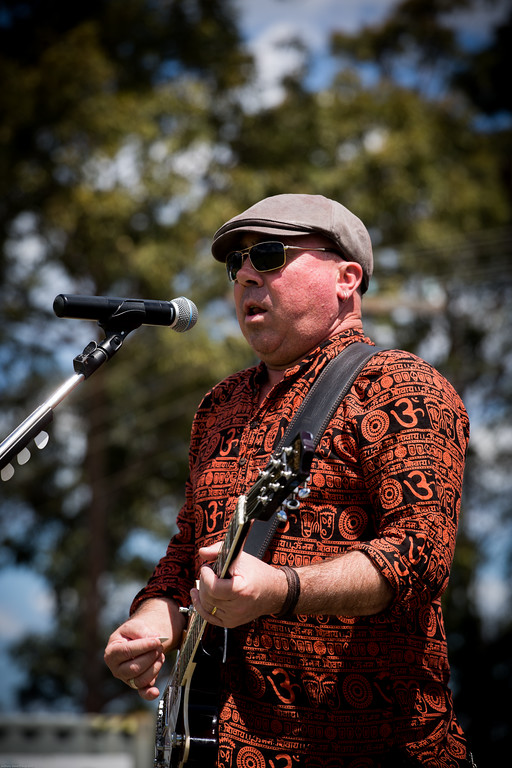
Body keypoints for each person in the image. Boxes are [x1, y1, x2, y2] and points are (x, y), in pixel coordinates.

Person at [104, 194, 475, 767]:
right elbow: (187, 551)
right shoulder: (219, 406)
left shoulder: (401, 387)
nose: (246, 275)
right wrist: (151, 623)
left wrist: (282, 589)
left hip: (375, 752)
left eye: (270, 255)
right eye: (238, 264)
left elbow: (419, 556)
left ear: (346, 279)